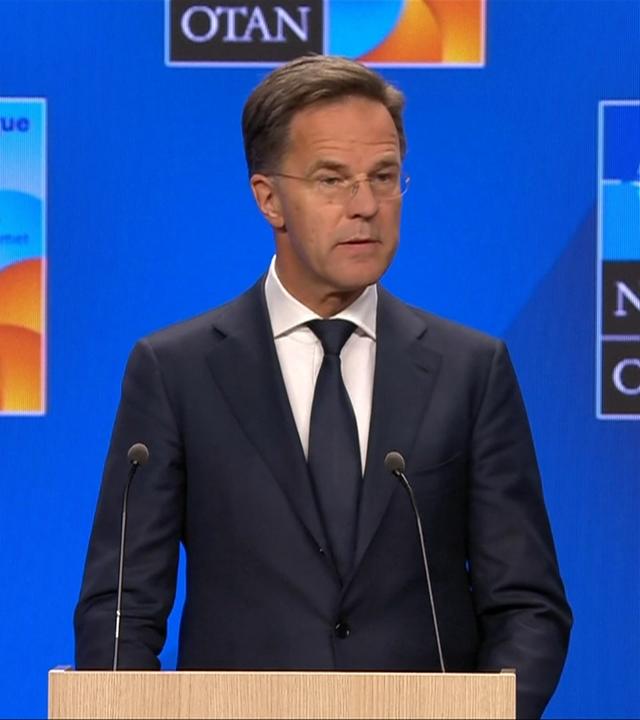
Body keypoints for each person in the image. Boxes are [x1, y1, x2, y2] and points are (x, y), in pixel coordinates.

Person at [74, 55, 572, 719]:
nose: (365, 206)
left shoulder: (470, 370)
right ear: (268, 198)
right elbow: (120, 608)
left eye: (384, 177)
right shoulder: (176, 371)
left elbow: (528, 605)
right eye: (332, 180)